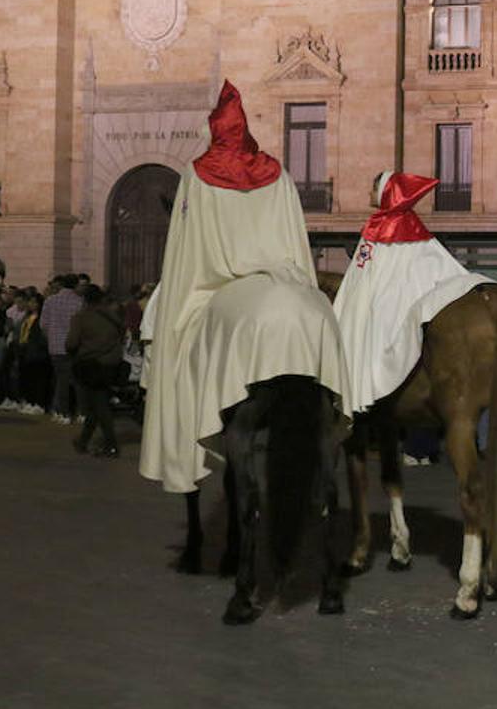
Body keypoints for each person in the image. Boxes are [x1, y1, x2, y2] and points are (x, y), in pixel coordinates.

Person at [138, 81, 350, 496]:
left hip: (215, 282)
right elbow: (295, 241)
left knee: (177, 348)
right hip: (285, 273)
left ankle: (185, 449)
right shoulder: (280, 173)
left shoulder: (198, 175)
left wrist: (181, 297)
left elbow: (187, 250)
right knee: (326, 313)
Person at [331, 171, 493, 417]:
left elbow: (362, 273)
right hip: (405, 293)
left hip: (386, 297)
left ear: (386, 192)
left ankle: (359, 386)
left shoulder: (377, 224)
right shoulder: (414, 225)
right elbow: (433, 262)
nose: (369, 194)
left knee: (362, 325)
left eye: (374, 189)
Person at [66, 285, 126, 457]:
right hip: (112, 363)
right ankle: (83, 440)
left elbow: (71, 343)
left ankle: (111, 445)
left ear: (85, 300)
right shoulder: (113, 316)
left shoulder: (81, 317)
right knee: (96, 403)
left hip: (91, 365)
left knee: (99, 404)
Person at [40, 273, 84, 423]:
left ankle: (62, 412)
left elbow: (43, 325)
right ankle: (80, 412)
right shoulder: (79, 302)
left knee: (61, 380)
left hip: (56, 346)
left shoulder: (50, 301)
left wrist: (51, 337)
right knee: (78, 380)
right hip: (75, 345)